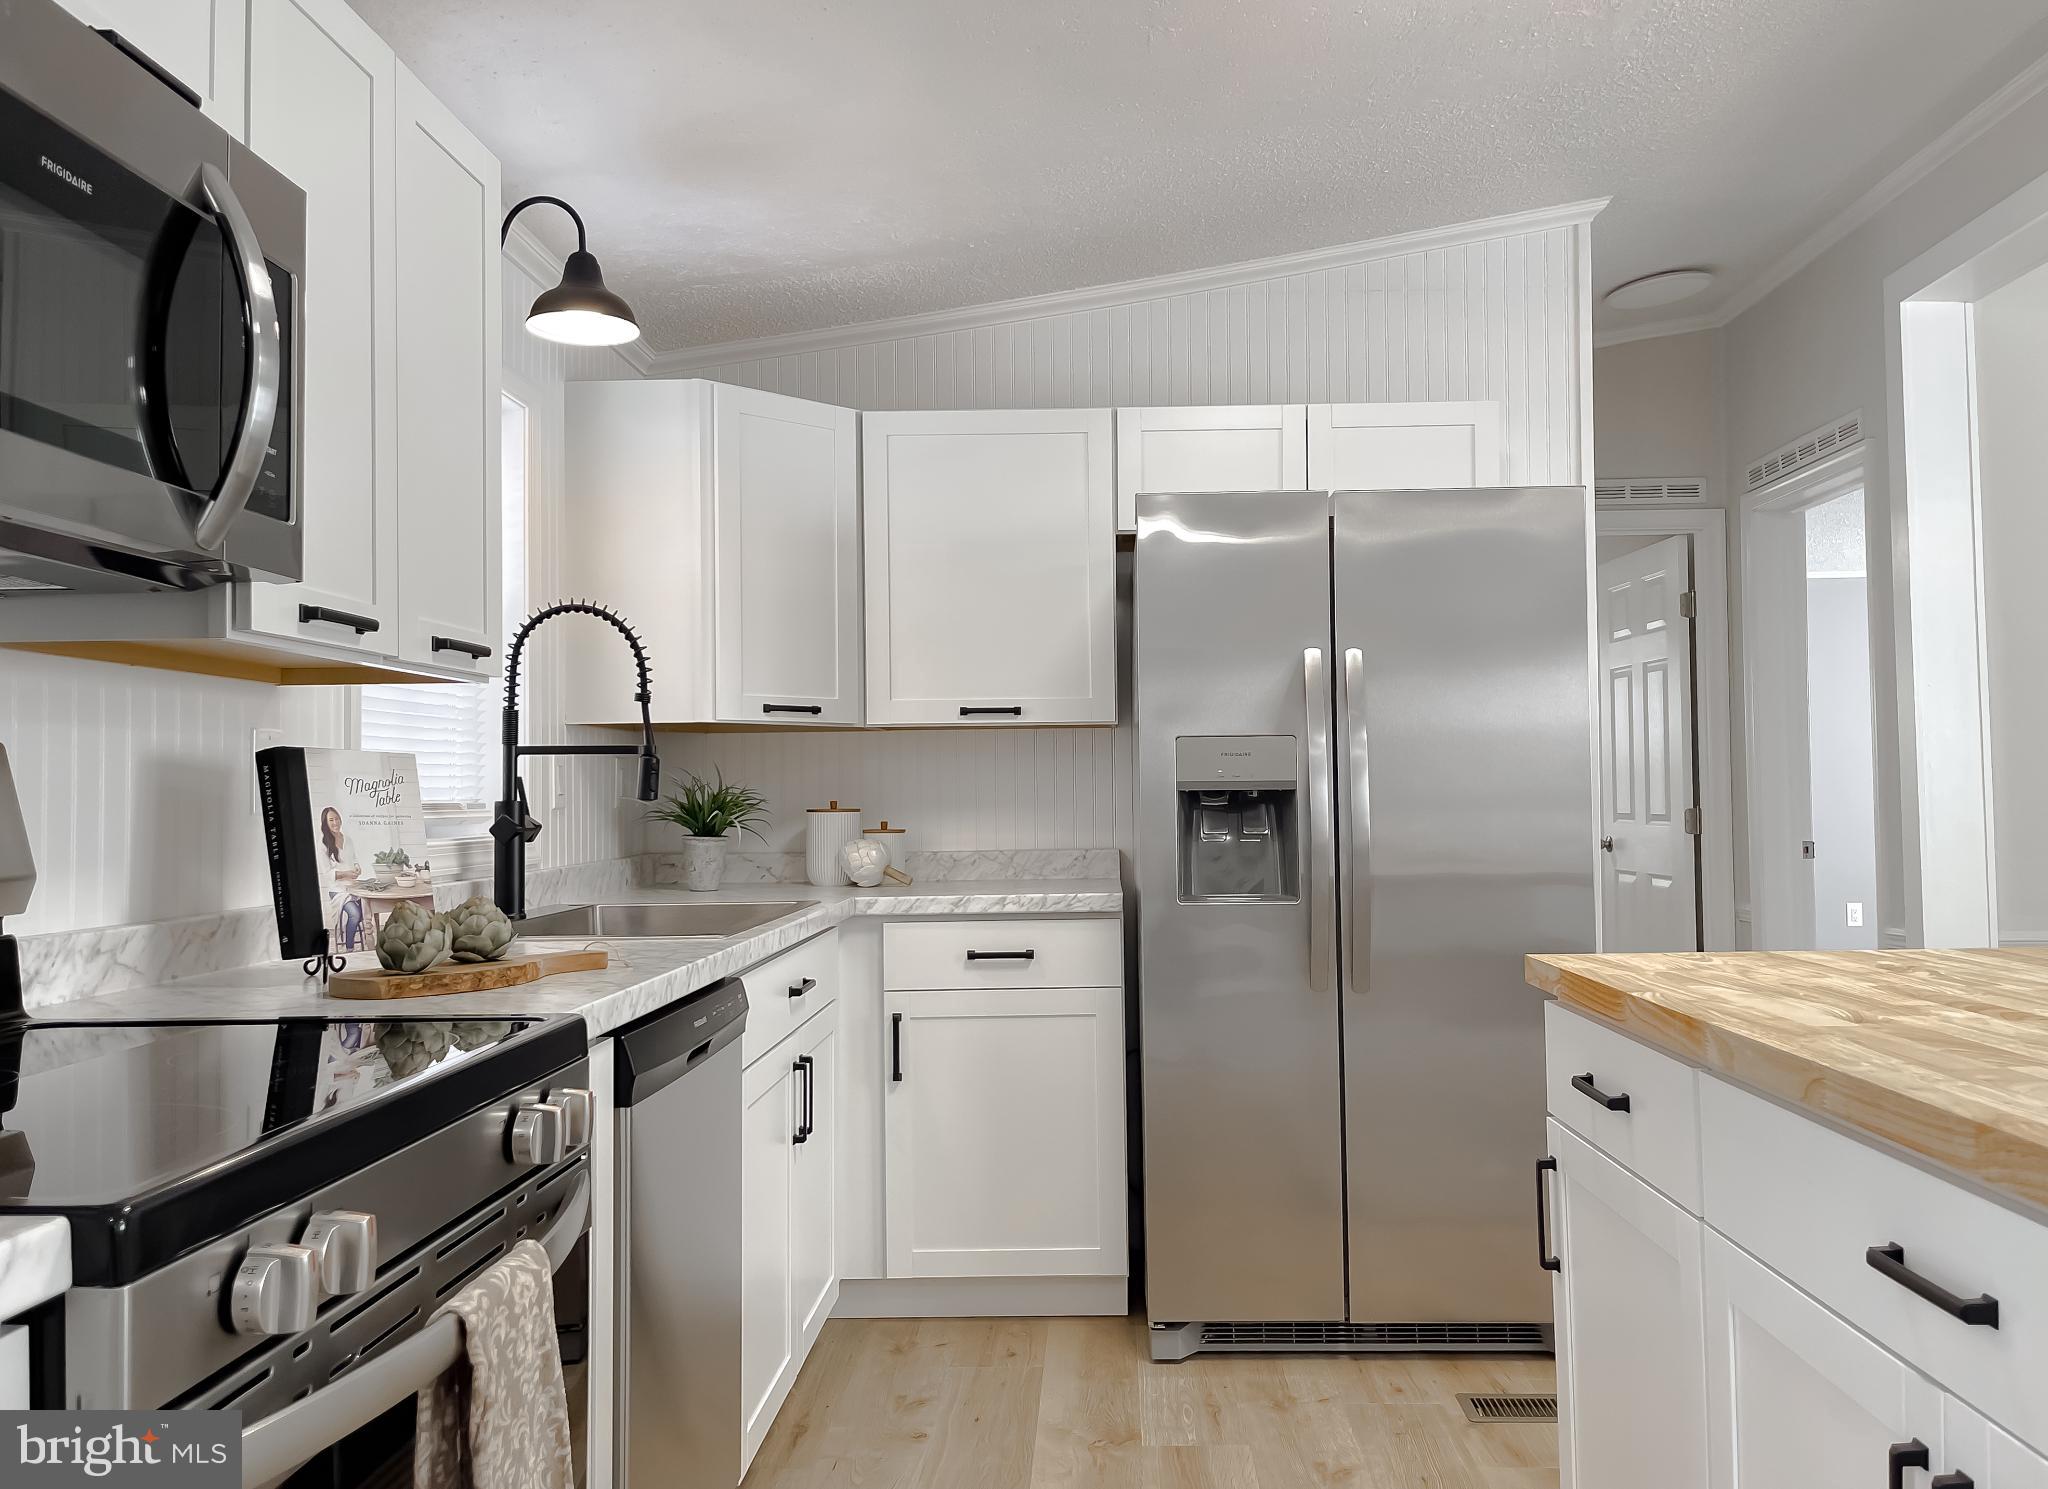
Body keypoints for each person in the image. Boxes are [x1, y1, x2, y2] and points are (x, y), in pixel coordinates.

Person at [321, 805, 366, 950]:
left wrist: (358, 868)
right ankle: (349, 948)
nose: (335, 822)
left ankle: (355, 940)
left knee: (366, 911)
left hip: (353, 886)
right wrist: (346, 874)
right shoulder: (323, 845)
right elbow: (327, 874)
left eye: (337, 818)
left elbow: (354, 859)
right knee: (355, 914)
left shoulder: (348, 839)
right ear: (325, 823)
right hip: (337, 891)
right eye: (331, 820)